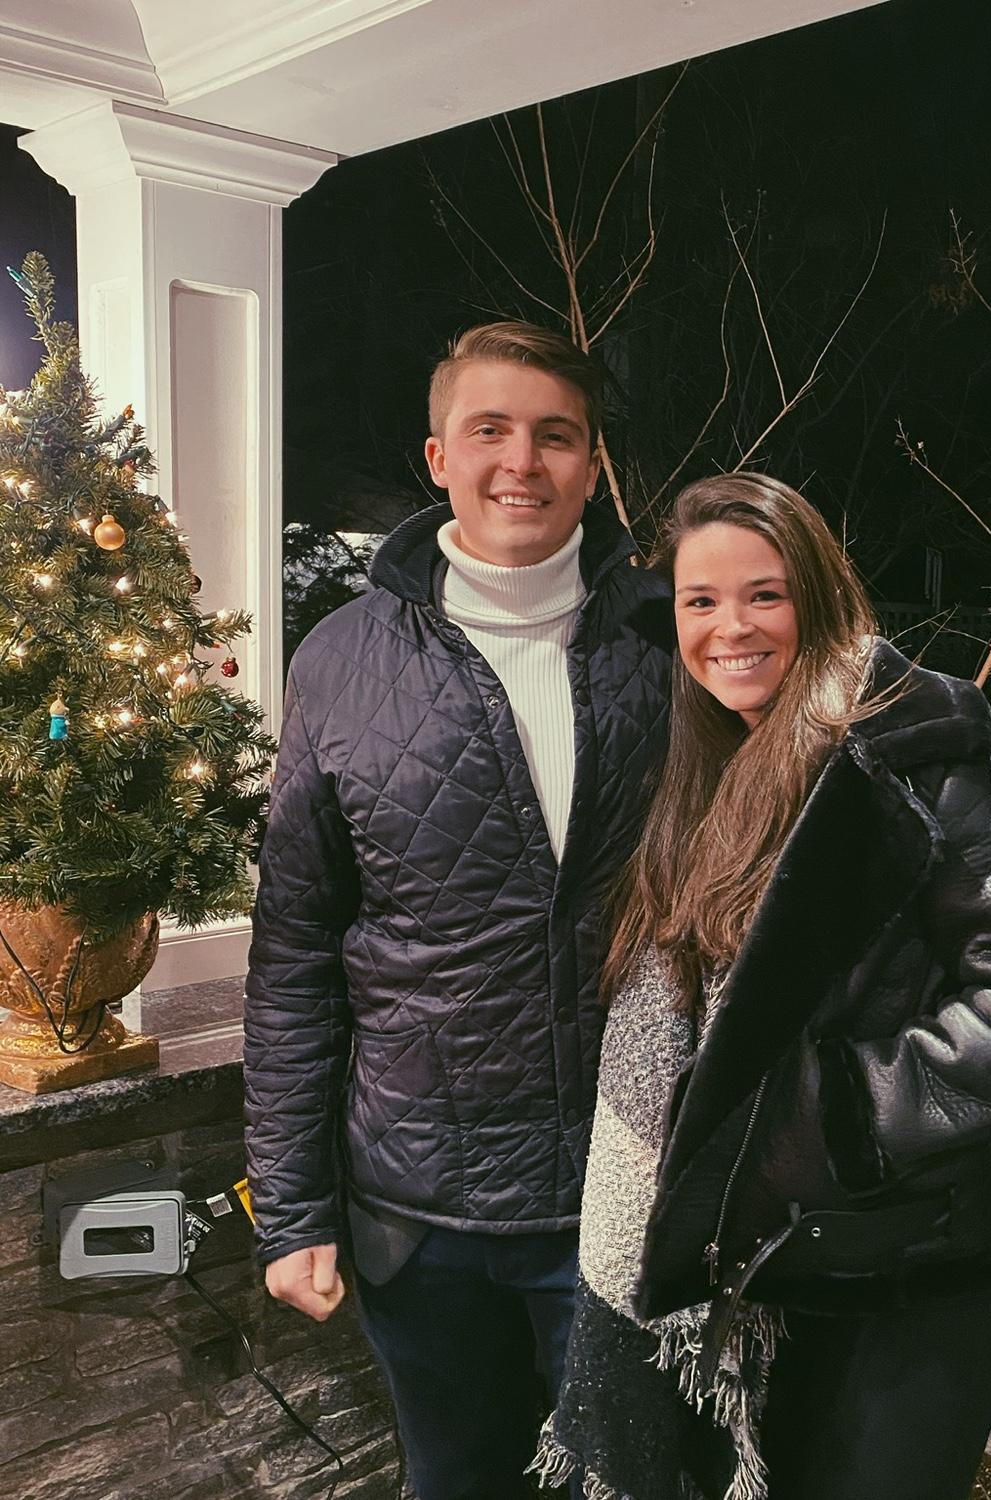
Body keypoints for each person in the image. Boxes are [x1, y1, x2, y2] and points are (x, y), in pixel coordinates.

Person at [532, 472, 991, 1500]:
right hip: (767, 1275)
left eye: (765, 594)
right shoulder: (708, 760)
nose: (730, 628)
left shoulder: (912, 742)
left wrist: (828, 1115)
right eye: (701, 601)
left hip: (899, 1282)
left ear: (820, 593)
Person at [243, 321, 672, 1500]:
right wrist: (292, 1211)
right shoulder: (339, 661)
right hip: (418, 1219)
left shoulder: (671, 641)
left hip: (623, 1193)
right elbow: (295, 954)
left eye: (555, 435)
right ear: (439, 457)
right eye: (490, 430)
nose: (521, 462)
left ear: (592, 464)